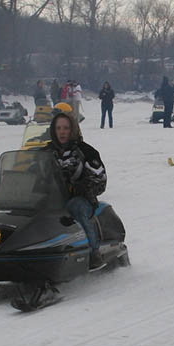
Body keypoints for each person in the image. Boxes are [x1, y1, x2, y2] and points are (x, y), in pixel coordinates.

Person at [42, 109, 108, 268]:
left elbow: (100, 180)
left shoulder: (86, 151)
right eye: (58, 128)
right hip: (51, 199)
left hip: (82, 200)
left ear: (73, 129)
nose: (62, 132)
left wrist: (80, 187)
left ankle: (94, 252)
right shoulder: (46, 152)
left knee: (75, 206)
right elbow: (33, 172)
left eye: (66, 128)